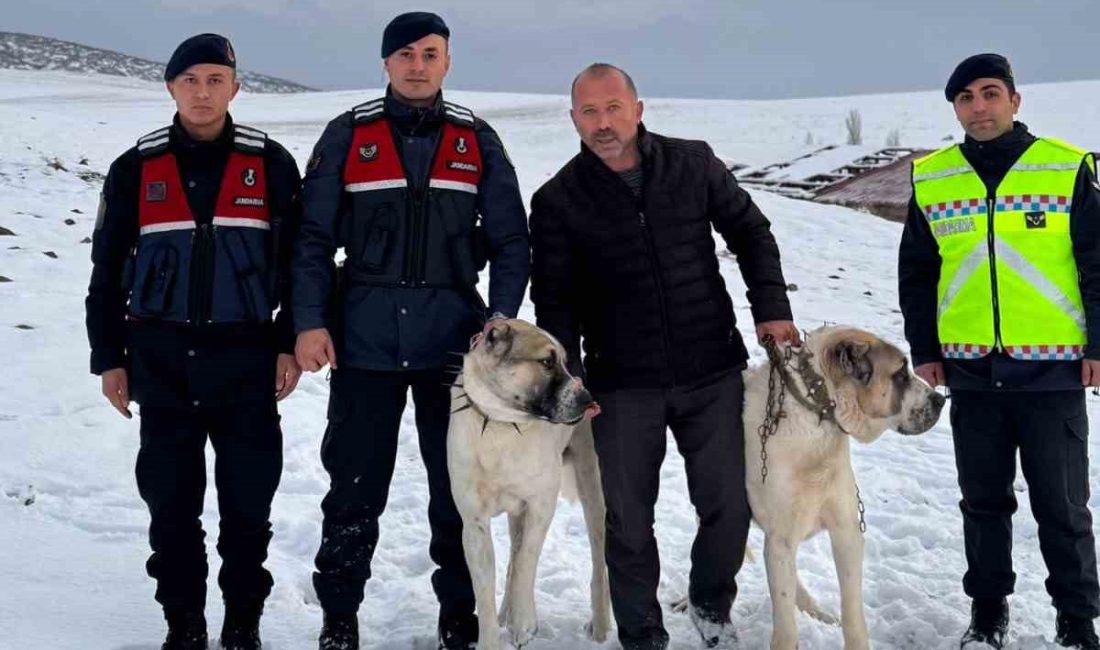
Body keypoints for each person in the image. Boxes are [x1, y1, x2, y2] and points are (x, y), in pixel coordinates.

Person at [528, 62, 798, 650]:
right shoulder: (557, 200)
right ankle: (641, 633)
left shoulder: (692, 163)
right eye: (590, 112)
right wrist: (570, 384)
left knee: (728, 505)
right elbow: (555, 301)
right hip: (620, 385)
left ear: (638, 108)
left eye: (613, 108)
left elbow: (751, 232)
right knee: (626, 520)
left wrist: (772, 309)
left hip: (711, 369)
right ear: (574, 118)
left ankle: (709, 602)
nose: (604, 123)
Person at [291, 12, 530, 650]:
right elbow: (312, 240)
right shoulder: (348, 135)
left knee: (456, 493)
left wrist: (500, 321)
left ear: (447, 62)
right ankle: (339, 620)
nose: (417, 65)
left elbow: (511, 241)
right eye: (405, 54)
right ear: (386, 63)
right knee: (352, 492)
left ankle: (461, 621)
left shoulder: (477, 141)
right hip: (363, 342)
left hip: (452, 350)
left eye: (430, 53)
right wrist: (309, 322)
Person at [84, 33, 302, 650]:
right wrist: (108, 358)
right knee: (172, 512)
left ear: (235, 87)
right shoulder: (135, 168)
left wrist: (287, 342)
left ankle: (242, 624)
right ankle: (184, 624)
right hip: (161, 364)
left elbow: (298, 267)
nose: (202, 92)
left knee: (247, 511)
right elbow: (105, 274)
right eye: (189, 80)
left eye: (214, 80)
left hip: (246, 363)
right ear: (170, 87)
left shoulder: (271, 163)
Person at [898, 53, 1100, 650]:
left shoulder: (1065, 168)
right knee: (983, 503)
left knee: (1063, 507)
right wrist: (925, 350)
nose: (978, 107)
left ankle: (1077, 620)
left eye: (990, 93)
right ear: (955, 109)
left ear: (1015, 100)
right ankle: (988, 615)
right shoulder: (933, 178)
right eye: (965, 98)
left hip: (1053, 371)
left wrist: (1098, 342)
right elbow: (918, 272)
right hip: (971, 370)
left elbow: (1096, 262)